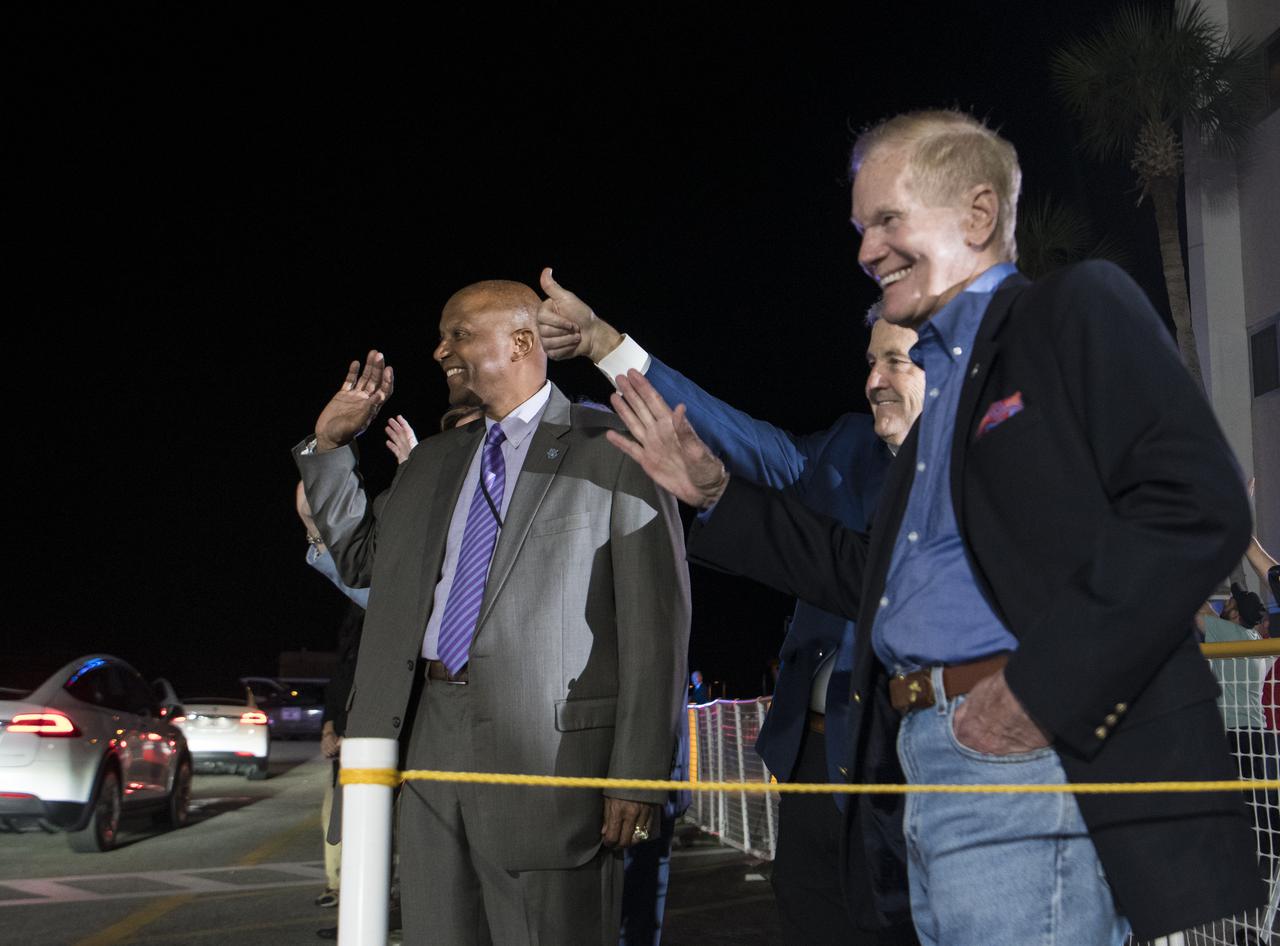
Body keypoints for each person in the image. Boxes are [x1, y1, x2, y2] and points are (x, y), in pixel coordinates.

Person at [603, 109, 1264, 945]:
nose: (865, 251)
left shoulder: (1071, 309)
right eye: (858, 228)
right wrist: (714, 494)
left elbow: (1196, 505)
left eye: (887, 220)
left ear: (978, 216)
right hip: (925, 762)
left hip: (1024, 756)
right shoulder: (938, 396)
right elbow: (860, 580)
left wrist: (1030, 698)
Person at [293, 279, 691, 946]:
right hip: (427, 738)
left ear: (523, 342)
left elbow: (657, 626)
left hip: (557, 762)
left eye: (459, 334)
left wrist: (638, 773)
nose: (440, 349)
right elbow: (364, 562)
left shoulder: (615, 449)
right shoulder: (432, 464)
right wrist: (330, 448)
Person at [537, 277, 923, 945]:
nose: (876, 382)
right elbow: (731, 435)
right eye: (871, 362)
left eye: (899, 362)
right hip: (811, 768)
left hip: (910, 774)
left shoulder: (977, 471)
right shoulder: (844, 448)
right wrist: (603, 342)